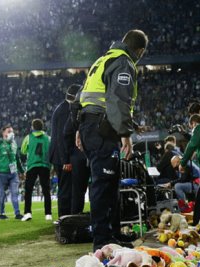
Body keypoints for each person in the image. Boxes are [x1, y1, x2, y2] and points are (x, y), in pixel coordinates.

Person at [78, 29, 148, 250]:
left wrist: (79, 129)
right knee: (103, 182)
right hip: (103, 129)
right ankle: (102, 241)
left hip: (91, 124)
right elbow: (118, 100)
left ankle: (112, 234)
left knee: (110, 181)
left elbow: (86, 97)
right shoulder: (123, 61)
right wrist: (126, 135)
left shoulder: (103, 59)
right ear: (140, 50)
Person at [49, 84, 81, 217]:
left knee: (66, 188)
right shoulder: (65, 110)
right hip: (62, 157)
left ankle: (65, 218)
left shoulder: (63, 107)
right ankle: (64, 219)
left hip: (59, 155)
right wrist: (65, 160)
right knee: (66, 189)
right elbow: (61, 137)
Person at [0, 125, 24, 220]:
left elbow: (17, 159)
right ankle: (1, 213)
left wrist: (22, 171)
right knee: (2, 194)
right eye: (9, 131)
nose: (11, 133)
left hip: (13, 174)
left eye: (12, 131)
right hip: (2, 173)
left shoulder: (14, 144)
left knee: (15, 193)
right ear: (3, 133)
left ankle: (17, 213)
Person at [20, 119, 52, 221]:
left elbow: (23, 151)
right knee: (46, 191)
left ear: (32, 127)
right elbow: (51, 152)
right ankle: (48, 214)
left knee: (28, 190)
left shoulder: (28, 137)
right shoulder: (48, 138)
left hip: (32, 165)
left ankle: (28, 213)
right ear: (42, 127)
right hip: (45, 166)